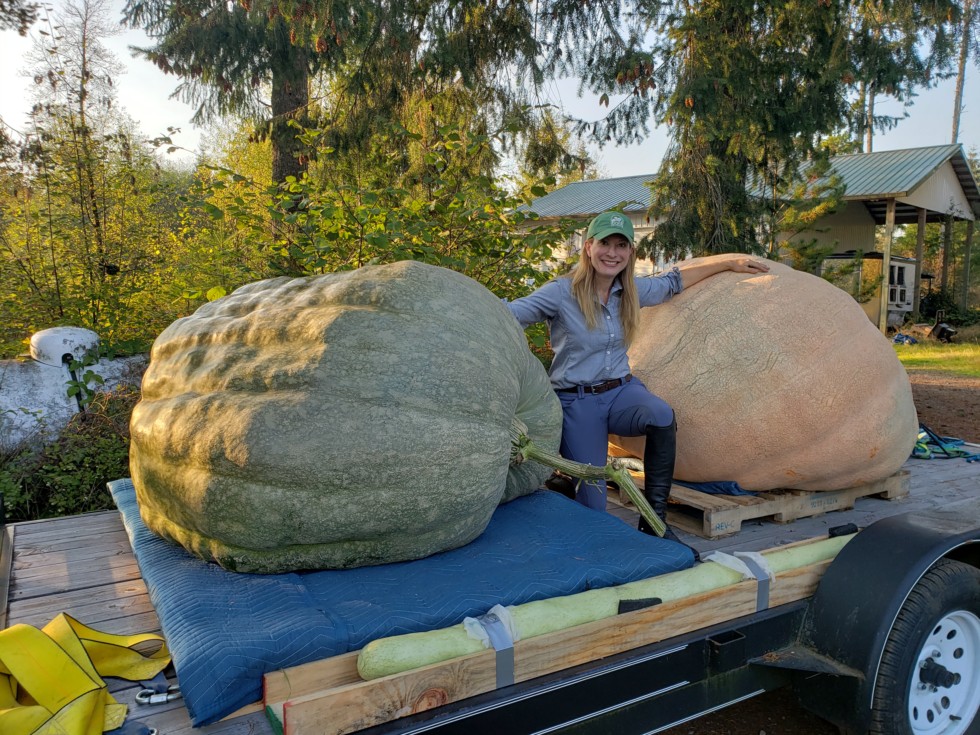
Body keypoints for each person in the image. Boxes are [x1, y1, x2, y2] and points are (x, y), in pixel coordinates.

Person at [506, 211, 769, 548]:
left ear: (630, 252)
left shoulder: (632, 290)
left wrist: (729, 262)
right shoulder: (561, 293)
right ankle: (564, 482)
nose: (612, 253)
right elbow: (508, 315)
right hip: (577, 402)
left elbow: (674, 282)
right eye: (605, 243)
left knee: (661, 415)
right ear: (588, 247)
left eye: (621, 245)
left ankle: (654, 521)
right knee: (595, 508)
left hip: (621, 393)